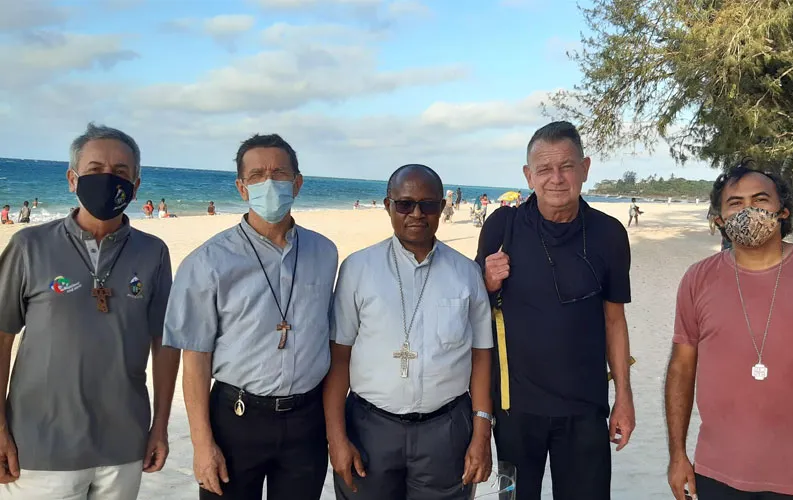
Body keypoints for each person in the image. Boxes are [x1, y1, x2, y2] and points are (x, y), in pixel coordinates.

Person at [0, 123, 179, 499]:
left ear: (135, 186)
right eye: (95, 169)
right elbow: (2, 337)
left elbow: (164, 342)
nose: (108, 179)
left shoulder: (153, 252)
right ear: (72, 179)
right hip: (39, 446)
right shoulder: (29, 246)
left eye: (120, 172)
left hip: (124, 444)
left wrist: (160, 425)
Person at [163, 133, 337, 500]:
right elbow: (195, 358)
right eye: (257, 175)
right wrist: (201, 444)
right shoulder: (207, 262)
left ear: (298, 183)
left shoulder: (324, 252)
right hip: (236, 418)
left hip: (306, 420)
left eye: (279, 173)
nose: (269, 183)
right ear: (242, 188)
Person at [477, 121, 635, 500]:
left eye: (567, 166)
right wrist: (487, 282)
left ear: (585, 168)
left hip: (585, 407)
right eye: (544, 169)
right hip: (514, 410)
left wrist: (624, 397)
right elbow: (475, 316)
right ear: (528, 176)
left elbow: (614, 321)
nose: (556, 178)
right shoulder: (502, 226)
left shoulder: (609, 234)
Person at [325, 164, 494, 500]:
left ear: (441, 207)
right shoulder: (357, 269)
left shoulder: (466, 273)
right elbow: (339, 358)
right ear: (388, 206)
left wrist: (481, 434)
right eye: (405, 204)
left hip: (446, 431)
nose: (416, 213)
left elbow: (481, 357)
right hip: (369, 430)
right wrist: (336, 439)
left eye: (427, 204)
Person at [666, 162, 793, 500]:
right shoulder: (698, 279)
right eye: (735, 203)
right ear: (719, 219)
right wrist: (678, 454)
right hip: (718, 473)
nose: (748, 210)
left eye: (760, 199)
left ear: (783, 210)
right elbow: (681, 368)